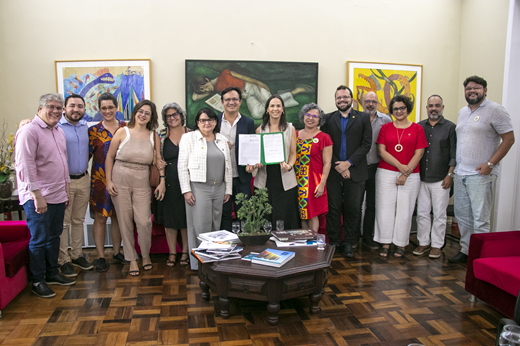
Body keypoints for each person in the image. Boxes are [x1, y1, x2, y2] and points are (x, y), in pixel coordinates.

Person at [15, 93, 75, 298]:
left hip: (58, 193)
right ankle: (38, 280)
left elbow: (63, 162)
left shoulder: (57, 131)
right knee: (39, 240)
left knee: (54, 237)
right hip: (38, 197)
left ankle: (52, 273)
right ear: (41, 108)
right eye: (51, 107)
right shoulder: (29, 131)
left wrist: (66, 189)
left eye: (59, 108)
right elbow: (25, 166)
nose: (56, 111)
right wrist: (36, 196)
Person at [449, 76, 515, 263]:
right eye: (468, 88)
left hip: (480, 175)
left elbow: (509, 139)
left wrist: (491, 164)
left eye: (476, 88)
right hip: (461, 173)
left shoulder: (495, 110)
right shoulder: (463, 112)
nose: (472, 91)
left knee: (480, 218)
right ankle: (466, 250)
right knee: (463, 216)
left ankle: (480, 255)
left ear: (485, 90)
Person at [105, 100, 165, 276]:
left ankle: (145, 256)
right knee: (124, 220)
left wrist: (162, 181)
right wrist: (109, 181)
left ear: (151, 116)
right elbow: (109, 157)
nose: (143, 115)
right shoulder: (122, 132)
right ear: (135, 113)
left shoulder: (154, 136)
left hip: (142, 179)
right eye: (140, 111)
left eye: (147, 112)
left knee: (144, 221)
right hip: (120, 176)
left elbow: (159, 161)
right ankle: (132, 258)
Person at [321, 86, 372, 258]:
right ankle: (334, 242)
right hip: (334, 172)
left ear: (351, 99)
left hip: (356, 171)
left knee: (353, 209)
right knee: (333, 209)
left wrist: (348, 164)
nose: (342, 100)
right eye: (338, 98)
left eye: (345, 97)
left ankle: (349, 243)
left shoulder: (363, 117)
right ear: (335, 100)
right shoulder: (328, 119)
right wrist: (339, 166)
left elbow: (366, 144)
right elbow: (326, 145)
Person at [178, 108, 232, 270]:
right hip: (198, 188)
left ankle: (212, 262)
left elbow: (228, 166)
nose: (207, 123)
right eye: (203, 120)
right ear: (197, 122)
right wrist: (186, 190)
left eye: (210, 120)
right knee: (200, 227)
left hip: (219, 188)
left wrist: (228, 189)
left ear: (215, 122)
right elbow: (182, 166)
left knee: (216, 226)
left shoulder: (222, 139)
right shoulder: (189, 138)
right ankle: (198, 265)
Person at [374, 95, 427, 258]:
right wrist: (401, 167)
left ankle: (400, 244)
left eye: (402, 108)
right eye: (396, 108)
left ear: (408, 109)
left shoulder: (417, 128)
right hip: (386, 172)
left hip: (411, 175)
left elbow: (420, 152)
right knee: (385, 208)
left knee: (405, 210)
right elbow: (381, 151)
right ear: (391, 111)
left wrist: (406, 172)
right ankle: (385, 242)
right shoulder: (386, 128)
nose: (399, 111)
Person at [89, 93, 128, 272]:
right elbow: (86, 156)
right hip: (100, 180)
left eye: (110, 107)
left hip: (122, 179)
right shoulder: (93, 131)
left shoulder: (127, 128)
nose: (107, 111)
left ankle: (117, 251)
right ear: (99, 109)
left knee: (118, 217)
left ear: (116, 107)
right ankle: (100, 256)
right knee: (100, 217)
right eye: (103, 108)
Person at [248, 95, 300, 229]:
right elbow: (256, 154)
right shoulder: (259, 130)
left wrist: (290, 165)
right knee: (265, 215)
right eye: (272, 106)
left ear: (283, 109)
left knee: (285, 215)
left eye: (278, 106)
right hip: (265, 178)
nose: (275, 109)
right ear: (267, 109)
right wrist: (256, 163)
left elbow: (293, 154)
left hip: (285, 177)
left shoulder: (290, 128)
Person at [414, 95, 456, 259]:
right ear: (426, 108)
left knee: (439, 214)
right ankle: (423, 242)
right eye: (431, 105)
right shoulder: (419, 127)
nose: (434, 108)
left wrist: (450, 174)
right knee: (422, 212)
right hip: (421, 178)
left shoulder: (450, 128)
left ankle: (437, 245)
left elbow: (454, 153)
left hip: (441, 179)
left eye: (437, 105)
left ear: (442, 107)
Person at [57, 94, 93, 277]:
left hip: (84, 179)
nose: (76, 109)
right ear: (64, 108)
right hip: (65, 181)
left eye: (80, 106)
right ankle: (63, 260)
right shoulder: (56, 127)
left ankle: (77, 255)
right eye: (72, 106)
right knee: (64, 223)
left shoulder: (85, 127)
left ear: (84, 109)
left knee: (78, 220)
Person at [190, 69, 314, 119]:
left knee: (270, 106)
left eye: (205, 86)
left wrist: (259, 83)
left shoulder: (225, 73)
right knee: (257, 114)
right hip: (247, 96)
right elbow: (195, 97)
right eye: (204, 90)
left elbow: (244, 77)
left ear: (206, 79)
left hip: (253, 87)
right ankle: (280, 96)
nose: (207, 90)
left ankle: (295, 91)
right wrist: (204, 90)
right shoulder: (214, 89)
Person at [154, 102, 190, 267]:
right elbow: (159, 161)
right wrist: (161, 181)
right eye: (168, 115)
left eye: (175, 114)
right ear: (164, 119)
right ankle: (172, 253)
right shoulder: (160, 136)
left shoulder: (191, 133)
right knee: (170, 218)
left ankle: (185, 252)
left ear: (181, 115)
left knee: (185, 217)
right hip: (168, 182)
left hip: (189, 182)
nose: (172, 118)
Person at [217, 87, 256, 232]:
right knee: (224, 214)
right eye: (227, 99)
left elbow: (253, 147)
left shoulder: (248, 122)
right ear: (222, 102)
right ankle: (226, 248)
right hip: (220, 178)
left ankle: (245, 247)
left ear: (240, 102)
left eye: (235, 99)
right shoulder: (214, 121)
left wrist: (252, 163)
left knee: (244, 214)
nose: (231, 102)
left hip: (242, 177)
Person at [360, 91, 392, 250]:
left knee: (372, 204)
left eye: (373, 101)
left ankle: (368, 236)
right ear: (362, 102)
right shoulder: (357, 118)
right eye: (367, 101)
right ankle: (353, 237)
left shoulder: (386, 120)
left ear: (378, 103)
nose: (370, 104)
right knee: (356, 204)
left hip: (377, 168)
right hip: (357, 168)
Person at [294, 103, 332, 232]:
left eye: (315, 116)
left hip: (314, 182)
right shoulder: (295, 135)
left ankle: (313, 244)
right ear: (303, 117)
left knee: (312, 214)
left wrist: (322, 184)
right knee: (302, 215)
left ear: (319, 119)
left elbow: (327, 163)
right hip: (296, 181)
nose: (311, 118)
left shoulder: (324, 137)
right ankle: (305, 244)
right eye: (308, 115)